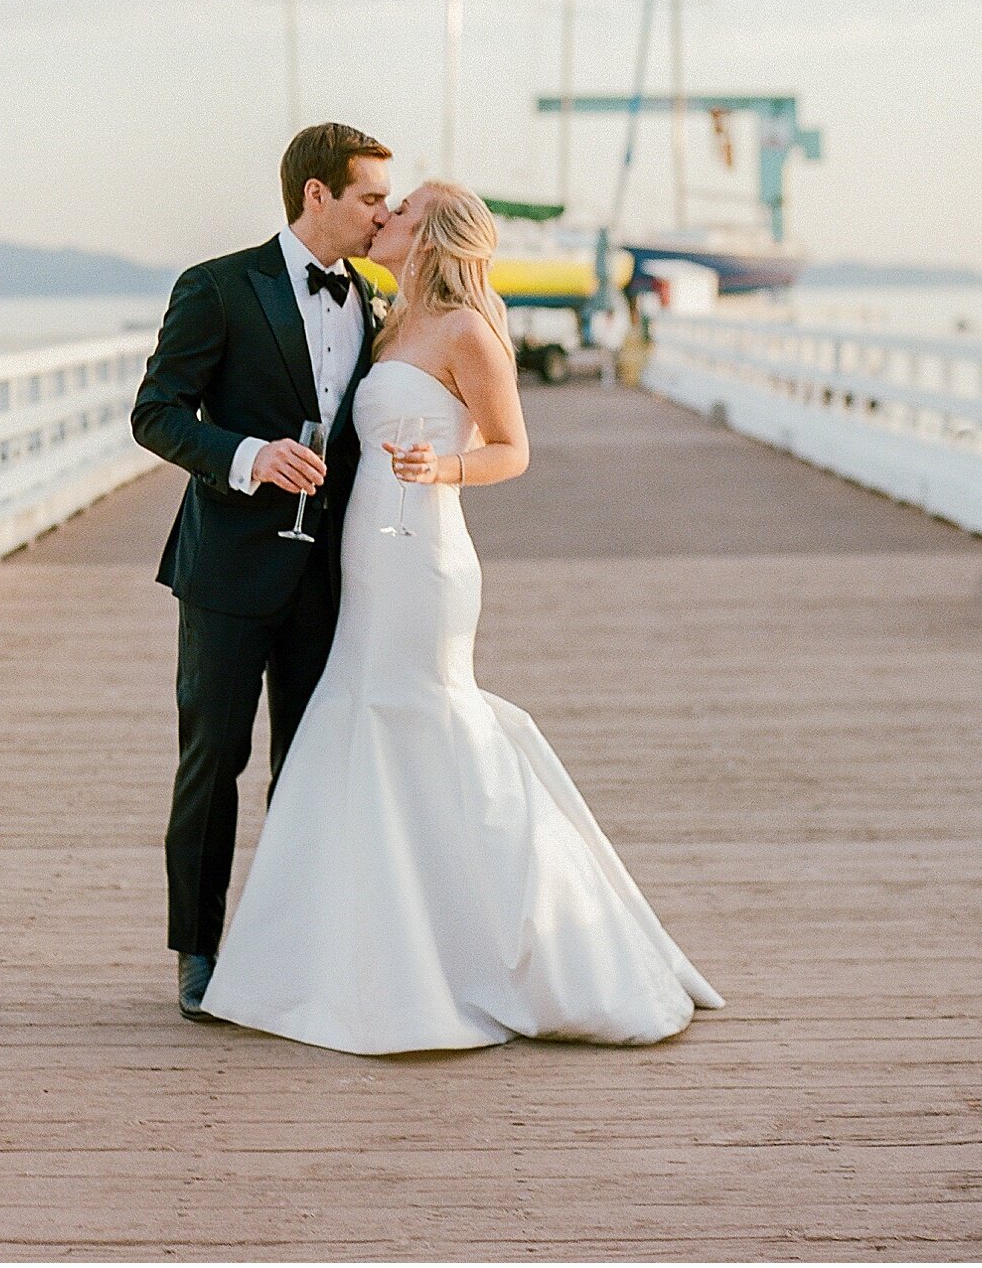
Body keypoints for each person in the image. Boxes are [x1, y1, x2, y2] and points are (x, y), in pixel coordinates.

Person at [197, 179, 725, 1053]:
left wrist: (447, 469)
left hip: (426, 557)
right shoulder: (387, 320)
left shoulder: (468, 331)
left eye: (398, 210)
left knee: (427, 719)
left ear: (432, 235)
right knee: (357, 720)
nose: (382, 217)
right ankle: (350, 955)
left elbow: (512, 448)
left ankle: (509, 951)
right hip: (365, 553)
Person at [130, 122, 393, 1020]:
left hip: (331, 577)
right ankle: (197, 955)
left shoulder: (378, 301)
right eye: (369, 199)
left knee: (311, 765)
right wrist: (248, 455)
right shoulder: (215, 287)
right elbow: (156, 413)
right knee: (213, 761)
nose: (382, 215)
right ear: (315, 195)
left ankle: (290, 942)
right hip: (228, 574)